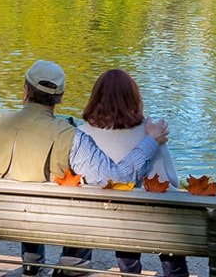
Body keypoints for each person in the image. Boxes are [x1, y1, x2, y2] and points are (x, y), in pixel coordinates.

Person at [0, 60, 169, 277]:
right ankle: (73, 266)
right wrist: (151, 142)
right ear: (60, 97)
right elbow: (116, 179)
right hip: (53, 223)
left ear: (25, 91)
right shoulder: (71, 137)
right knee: (77, 198)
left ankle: (33, 265)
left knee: (24, 188)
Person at [79, 68, 188, 277]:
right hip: (155, 224)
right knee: (159, 212)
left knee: (124, 216)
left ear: (95, 98)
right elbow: (172, 179)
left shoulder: (82, 134)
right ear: (133, 97)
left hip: (103, 220)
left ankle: (129, 272)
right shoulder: (151, 133)